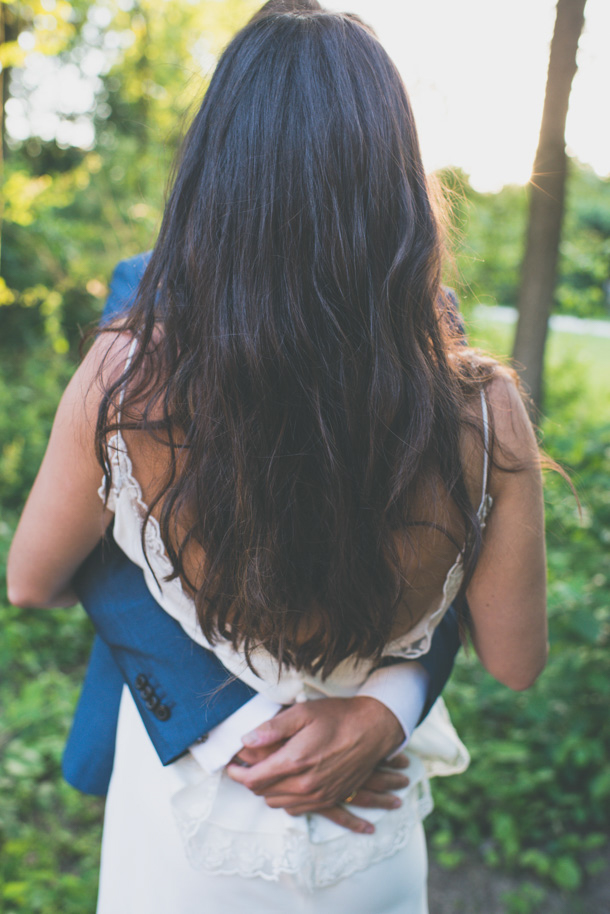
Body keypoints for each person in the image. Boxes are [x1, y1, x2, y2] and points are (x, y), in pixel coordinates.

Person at [7, 2, 548, 911]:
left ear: (215, 163)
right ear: (399, 180)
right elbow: (518, 658)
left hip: (186, 833)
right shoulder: (480, 406)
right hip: (369, 843)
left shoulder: (130, 375)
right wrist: (392, 699)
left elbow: (32, 579)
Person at [61, 252, 463, 832]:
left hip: (370, 740)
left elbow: (455, 536)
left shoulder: (423, 304)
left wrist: (389, 708)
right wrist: (239, 730)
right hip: (191, 730)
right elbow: (105, 518)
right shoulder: (150, 285)